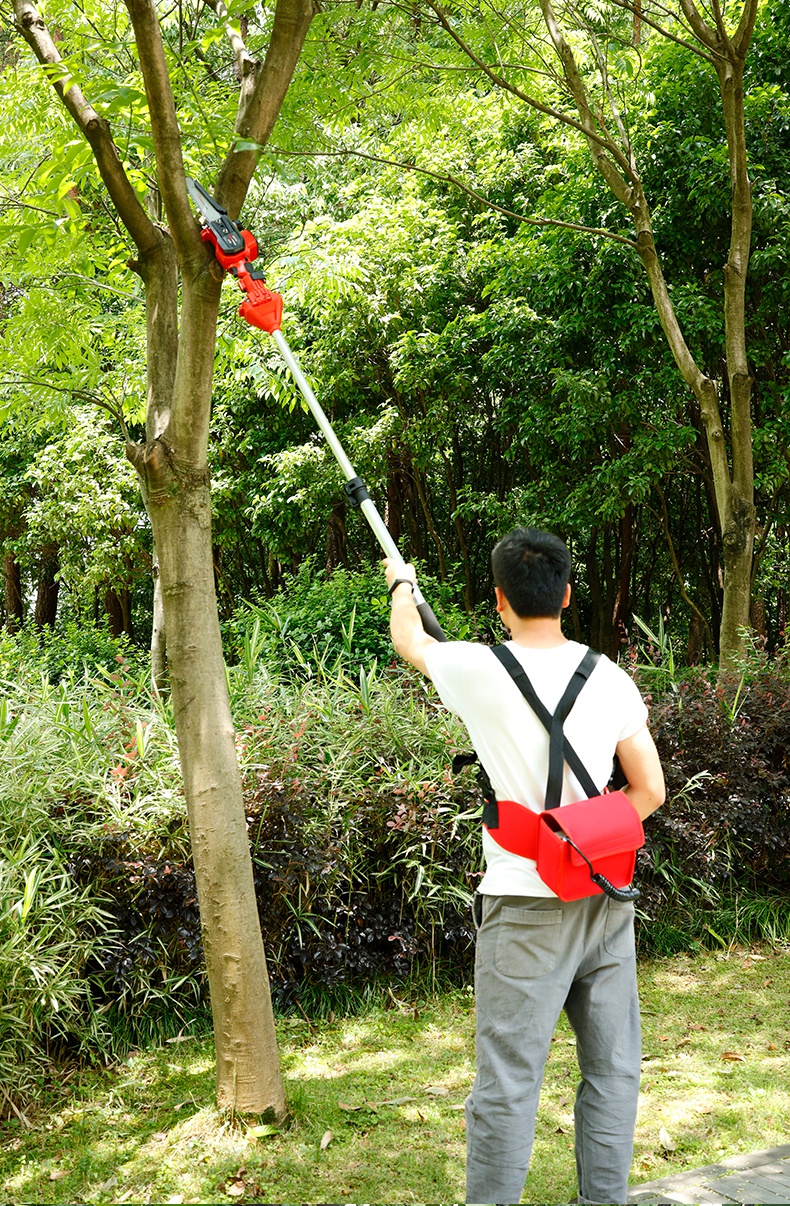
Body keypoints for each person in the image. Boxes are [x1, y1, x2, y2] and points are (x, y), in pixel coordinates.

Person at [383, 527, 665, 1206]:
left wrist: (402, 584)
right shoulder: (611, 678)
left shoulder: (476, 668)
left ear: (501, 600)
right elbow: (648, 791)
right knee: (614, 1071)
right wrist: (582, 836)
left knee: (508, 1083)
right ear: (566, 595)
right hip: (604, 898)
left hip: (522, 905)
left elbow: (410, 642)